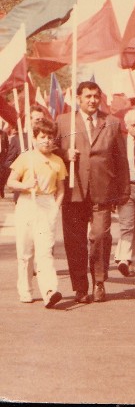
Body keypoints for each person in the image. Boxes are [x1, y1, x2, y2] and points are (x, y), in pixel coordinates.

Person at [57, 81, 130, 304]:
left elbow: (121, 160)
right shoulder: (64, 122)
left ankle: (99, 281)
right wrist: (63, 153)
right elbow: (47, 149)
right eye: (87, 96)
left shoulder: (112, 123)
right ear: (78, 98)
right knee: (75, 241)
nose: (92, 100)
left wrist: (124, 191)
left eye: (96, 96)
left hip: (102, 190)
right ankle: (80, 287)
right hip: (74, 190)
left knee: (99, 236)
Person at [7, 118, 66, 307]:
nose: (47, 140)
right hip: (26, 203)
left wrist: (56, 207)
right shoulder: (26, 158)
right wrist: (25, 185)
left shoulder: (57, 161)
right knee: (25, 251)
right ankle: (25, 289)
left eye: (50, 137)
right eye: (42, 136)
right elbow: (11, 182)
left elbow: (61, 189)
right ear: (34, 138)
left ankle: (50, 290)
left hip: (47, 203)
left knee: (45, 250)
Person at [114, 109, 135, 277]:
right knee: (127, 225)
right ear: (126, 126)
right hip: (126, 188)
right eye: (133, 125)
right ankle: (123, 259)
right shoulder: (120, 141)